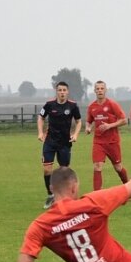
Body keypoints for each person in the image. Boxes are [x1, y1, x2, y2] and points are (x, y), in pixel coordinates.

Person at [38, 81, 82, 209]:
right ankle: (51, 195)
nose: (62, 92)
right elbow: (40, 117)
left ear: (67, 92)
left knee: (64, 170)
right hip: (50, 141)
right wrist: (40, 132)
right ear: (56, 91)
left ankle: (66, 197)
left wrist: (75, 134)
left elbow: (78, 122)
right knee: (47, 169)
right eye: (60, 90)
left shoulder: (73, 106)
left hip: (65, 143)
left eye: (64, 90)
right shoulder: (49, 105)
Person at [85, 80, 128, 191]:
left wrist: (110, 126)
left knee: (118, 168)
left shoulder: (112, 104)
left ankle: (128, 187)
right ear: (94, 90)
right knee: (97, 166)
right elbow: (89, 121)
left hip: (112, 141)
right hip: (98, 142)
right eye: (97, 89)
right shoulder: (92, 107)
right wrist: (88, 128)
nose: (100, 90)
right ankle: (97, 194)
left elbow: (124, 120)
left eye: (102, 88)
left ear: (105, 90)